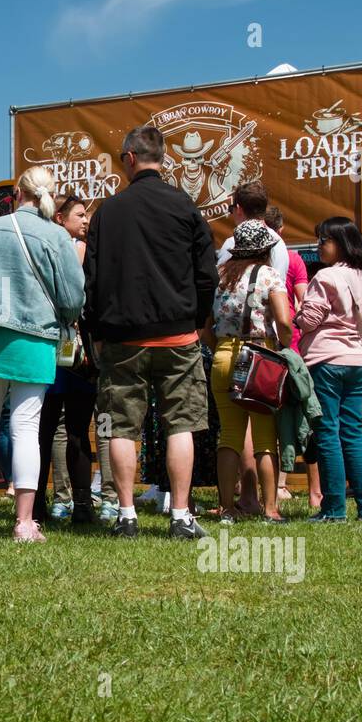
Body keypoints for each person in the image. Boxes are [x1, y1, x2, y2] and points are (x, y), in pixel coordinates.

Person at [83, 125, 217, 541]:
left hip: (123, 337)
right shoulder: (185, 207)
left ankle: (126, 515)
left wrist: (97, 333)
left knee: (121, 427)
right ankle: (180, 516)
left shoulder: (107, 212)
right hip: (178, 335)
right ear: (163, 159)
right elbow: (207, 275)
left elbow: (92, 280)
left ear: (129, 158)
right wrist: (195, 321)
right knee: (181, 425)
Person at [0, 167, 85, 542]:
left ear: (17, 193)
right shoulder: (55, 235)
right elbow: (74, 297)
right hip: (34, 336)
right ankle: (24, 521)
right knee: (26, 426)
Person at [205, 220, 292, 524]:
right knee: (266, 437)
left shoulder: (220, 276)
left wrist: (220, 345)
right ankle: (269, 509)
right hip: (260, 356)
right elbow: (283, 319)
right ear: (266, 248)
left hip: (224, 355)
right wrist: (285, 346)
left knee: (229, 435)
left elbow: (205, 327)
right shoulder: (269, 274)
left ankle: (227, 508)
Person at [294, 216, 362, 522]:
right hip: (357, 359)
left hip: (326, 361)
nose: (319, 246)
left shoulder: (326, 277)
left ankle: (333, 509)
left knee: (327, 432)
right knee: (354, 433)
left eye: (323, 240)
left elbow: (310, 319)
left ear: (341, 244)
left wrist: (296, 316)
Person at [35, 194, 97, 526]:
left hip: (53, 348)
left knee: (46, 431)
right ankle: (81, 506)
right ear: (60, 218)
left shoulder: (43, 249)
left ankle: (40, 506)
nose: (86, 220)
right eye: (79, 214)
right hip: (74, 350)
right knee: (72, 429)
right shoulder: (74, 250)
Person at [265, 205, 319, 508]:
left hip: (264, 346)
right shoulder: (295, 259)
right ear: (281, 231)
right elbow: (301, 301)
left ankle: (275, 487)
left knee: (270, 418)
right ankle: (313, 491)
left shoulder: (249, 261)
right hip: (292, 346)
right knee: (303, 416)